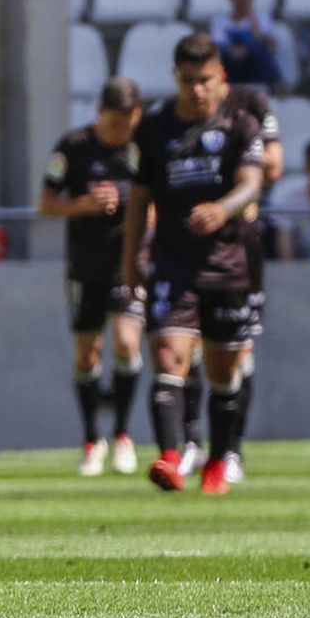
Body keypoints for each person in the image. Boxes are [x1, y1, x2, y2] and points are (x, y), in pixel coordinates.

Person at [123, 33, 266, 495]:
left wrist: (223, 209)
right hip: (172, 263)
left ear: (220, 76)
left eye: (204, 80)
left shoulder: (241, 125)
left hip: (227, 266)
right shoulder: (154, 129)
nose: (197, 90)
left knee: (224, 371)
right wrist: (130, 259)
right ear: (175, 78)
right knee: (168, 357)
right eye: (188, 81)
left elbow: (251, 183)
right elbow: (139, 200)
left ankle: (218, 466)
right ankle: (169, 457)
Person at [39, 77, 145, 477]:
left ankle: (122, 434)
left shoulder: (140, 148)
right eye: (117, 123)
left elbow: (155, 202)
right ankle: (90, 438)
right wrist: (84, 204)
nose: (123, 132)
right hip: (85, 264)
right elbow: (46, 204)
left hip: (126, 261)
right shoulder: (73, 147)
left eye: (129, 123)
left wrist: (142, 216)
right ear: (101, 113)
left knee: (125, 341)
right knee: (87, 353)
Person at [210, 72, 285, 484]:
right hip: (190, 244)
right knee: (183, 347)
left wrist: (241, 181)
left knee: (239, 348)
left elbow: (273, 165)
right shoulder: (176, 116)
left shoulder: (250, 106)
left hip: (239, 245)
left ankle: (232, 449)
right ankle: (187, 443)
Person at [209, 0, 282, 86]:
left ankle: (276, 86)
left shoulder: (262, 18)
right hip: (230, 68)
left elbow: (271, 48)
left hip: (253, 68)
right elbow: (220, 49)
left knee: (260, 47)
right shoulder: (219, 22)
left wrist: (252, 18)